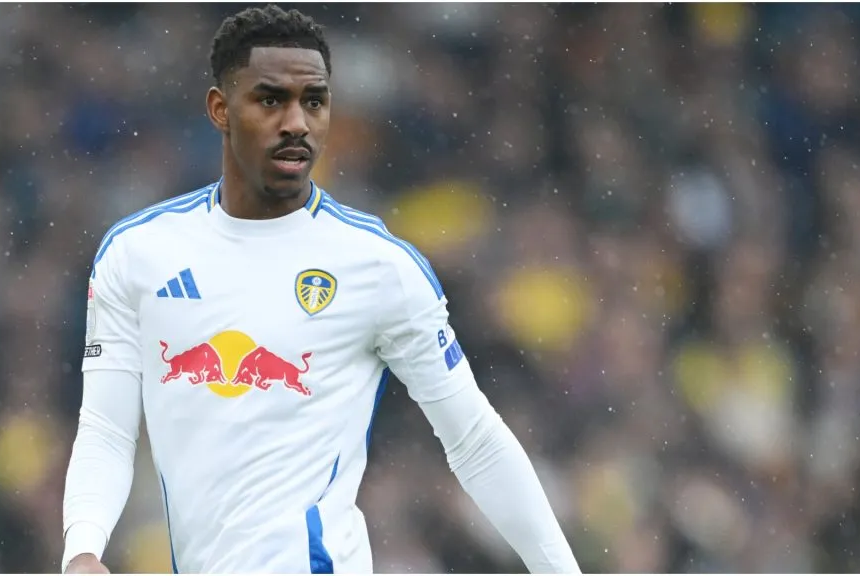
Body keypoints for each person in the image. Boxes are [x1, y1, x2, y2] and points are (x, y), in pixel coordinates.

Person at [61, 5, 581, 574]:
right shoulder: (137, 256)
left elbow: (476, 440)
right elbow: (107, 430)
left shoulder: (378, 267)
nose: (296, 122)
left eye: (314, 100)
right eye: (270, 100)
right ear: (220, 110)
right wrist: (82, 551)